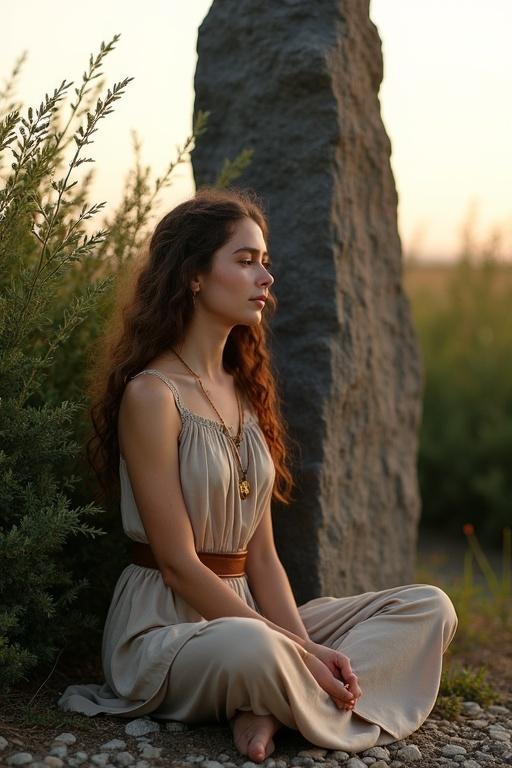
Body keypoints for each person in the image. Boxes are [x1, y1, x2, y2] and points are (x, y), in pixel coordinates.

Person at [57, 187, 459, 762]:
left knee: (428, 607)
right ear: (193, 276)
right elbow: (176, 564)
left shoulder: (245, 392)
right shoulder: (152, 395)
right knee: (253, 646)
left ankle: (270, 705)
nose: (264, 277)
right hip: (169, 630)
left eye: (264, 262)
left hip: (252, 615)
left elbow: (263, 558)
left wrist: (307, 645)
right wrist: (300, 651)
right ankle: (290, 698)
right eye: (244, 261)